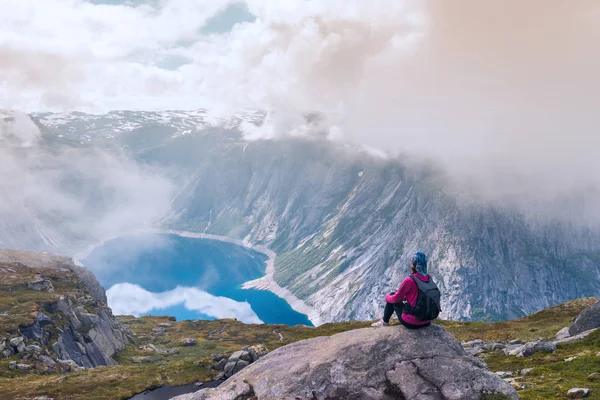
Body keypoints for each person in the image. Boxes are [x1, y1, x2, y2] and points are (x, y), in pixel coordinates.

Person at [371, 251, 441, 329]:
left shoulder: (410, 280)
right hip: (427, 321)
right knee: (396, 298)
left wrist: (387, 297)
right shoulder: (428, 278)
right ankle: (385, 322)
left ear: (414, 265)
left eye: (412, 262)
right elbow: (417, 295)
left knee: (392, 296)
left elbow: (396, 298)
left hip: (412, 323)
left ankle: (384, 322)